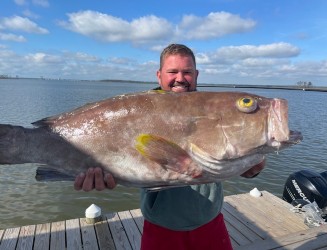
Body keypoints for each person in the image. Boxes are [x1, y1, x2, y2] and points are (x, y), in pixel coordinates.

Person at [74, 44, 265, 250]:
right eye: (172, 72)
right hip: (160, 227)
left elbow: (236, 164)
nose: (180, 78)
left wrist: (252, 168)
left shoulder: (216, 112)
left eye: (187, 72)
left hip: (210, 221)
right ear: (159, 75)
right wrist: (99, 174)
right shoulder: (138, 110)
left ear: (197, 74)